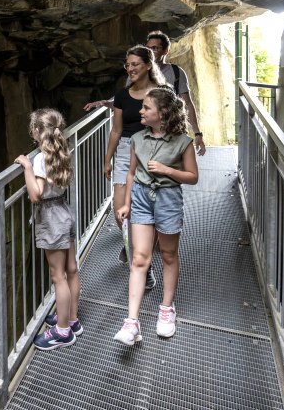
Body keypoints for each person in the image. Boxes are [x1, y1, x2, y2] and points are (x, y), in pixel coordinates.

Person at [113, 88, 199, 346]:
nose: (140, 111)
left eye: (146, 108)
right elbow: (130, 173)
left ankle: (166, 309)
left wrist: (166, 170)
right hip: (140, 198)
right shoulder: (137, 138)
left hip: (168, 199)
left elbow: (193, 177)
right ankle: (131, 322)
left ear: (162, 114)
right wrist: (126, 203)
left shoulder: (183, 141)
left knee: (169, 255)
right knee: (139, 258)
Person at [15, 108, 82, 351]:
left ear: (36, 131)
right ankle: (72, 320)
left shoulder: (40, 158)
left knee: (58, 276)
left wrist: (26, 167)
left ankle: (62, 332)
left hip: (51, 218)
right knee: (72, 269)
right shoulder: (62, 150)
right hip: (65, 211)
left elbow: (36, 194)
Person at [84, 30, 206, 156]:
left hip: (164, 139)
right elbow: (127, 101)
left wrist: (197, 133)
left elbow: (187, 104)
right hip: (135, 139)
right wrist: (106, 103)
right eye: (148, 48)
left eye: (155, 48)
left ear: (166, 51)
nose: (151, 51)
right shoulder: (134, 75)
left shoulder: (176, 73)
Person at [104, 45, 166, 287]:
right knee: (119, 209)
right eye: (127, 65)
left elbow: (170, 126)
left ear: (148, 65)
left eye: (135, 64)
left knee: (150, 210)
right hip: (125, 150)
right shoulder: (122, 95)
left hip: (153, 150)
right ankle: (135, 243)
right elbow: (117, 129)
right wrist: (107, 159)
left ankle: (144, 264)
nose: (130, 68)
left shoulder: (162, 92)